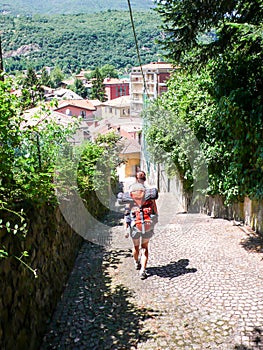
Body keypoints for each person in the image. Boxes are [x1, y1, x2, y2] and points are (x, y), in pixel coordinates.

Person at [124, 182, 158, 280]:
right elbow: (155, 213)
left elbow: (127, 216)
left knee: (135, 247)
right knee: (145, 248)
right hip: (147, 225)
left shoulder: (130, 199)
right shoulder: (149, 199)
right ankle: (143, 270)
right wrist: (153, 224)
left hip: (135, 226)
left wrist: (125, 230)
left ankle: (136, 262)